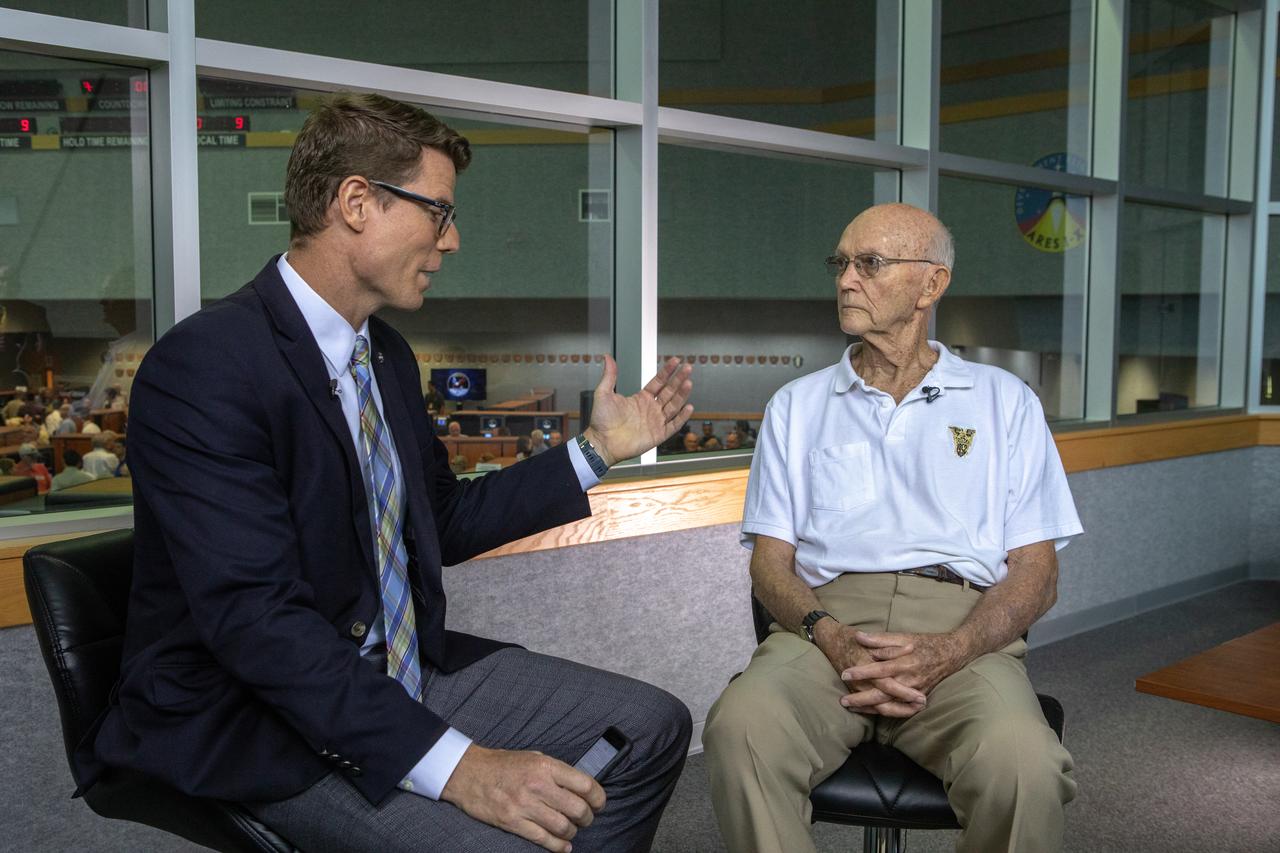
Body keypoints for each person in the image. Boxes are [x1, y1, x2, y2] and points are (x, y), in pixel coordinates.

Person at [74, 92, 697, 853]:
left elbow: (444, 520)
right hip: (254, 710)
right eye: (439, 212)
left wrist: (596, 450)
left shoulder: (387, 356)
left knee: (651, 725)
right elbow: (259, 625)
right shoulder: (205, 366)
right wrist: (463, 768)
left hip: (395, 666)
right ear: (357, 202)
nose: (454, 238)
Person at [703, 203, 1081, 853]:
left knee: (1025, 765)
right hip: (825, 626)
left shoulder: (1004, 402)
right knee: (740, 727)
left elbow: (1038, 575)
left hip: (962, 630)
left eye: (870, 264)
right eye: (841, 263)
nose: (846, 279)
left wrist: (953, 650)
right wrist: (831, 635)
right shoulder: (795, 406)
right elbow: (769, 564)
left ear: (931, 285)